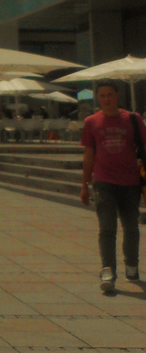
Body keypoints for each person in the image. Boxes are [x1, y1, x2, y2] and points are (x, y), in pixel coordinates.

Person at [79, 79, 146, 293]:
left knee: (131, 228)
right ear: (98, 98)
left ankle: (132, 264)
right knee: (107, 228)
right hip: (103, 182)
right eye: (102, 96)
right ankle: (107, 270)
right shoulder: (91, 122)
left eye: (110, 95)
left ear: (117, 96)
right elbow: (89, 154)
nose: (107, 99)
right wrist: (84, 184)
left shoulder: (133, 120)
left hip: (130, 182)